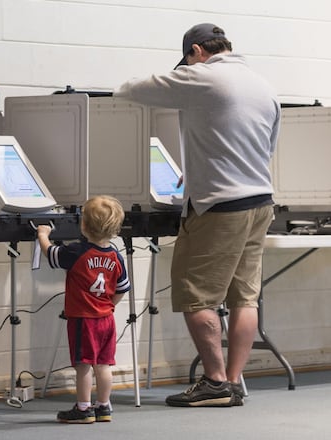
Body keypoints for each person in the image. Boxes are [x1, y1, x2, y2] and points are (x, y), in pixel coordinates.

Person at [114, 23, 280, 407]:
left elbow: (134, 89)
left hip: (220, 207)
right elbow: (265, 148)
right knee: (245, 297)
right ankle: (233, 382)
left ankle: (215, 382)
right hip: (259, 201)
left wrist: (112, 87)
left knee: (195, 295)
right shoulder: (262, 85)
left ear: (195, 52)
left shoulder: (201, 75)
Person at [36, 195, 129, 424]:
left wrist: (42, 235)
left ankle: (84, 408)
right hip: (106, 319)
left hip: (82, 320)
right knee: (103, 365)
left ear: (83, 225)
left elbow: (52, 254)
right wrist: (109, 306)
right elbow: (122, 287)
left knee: (83, 366)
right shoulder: (116, 256)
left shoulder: (77, 252)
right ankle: (104, 406)